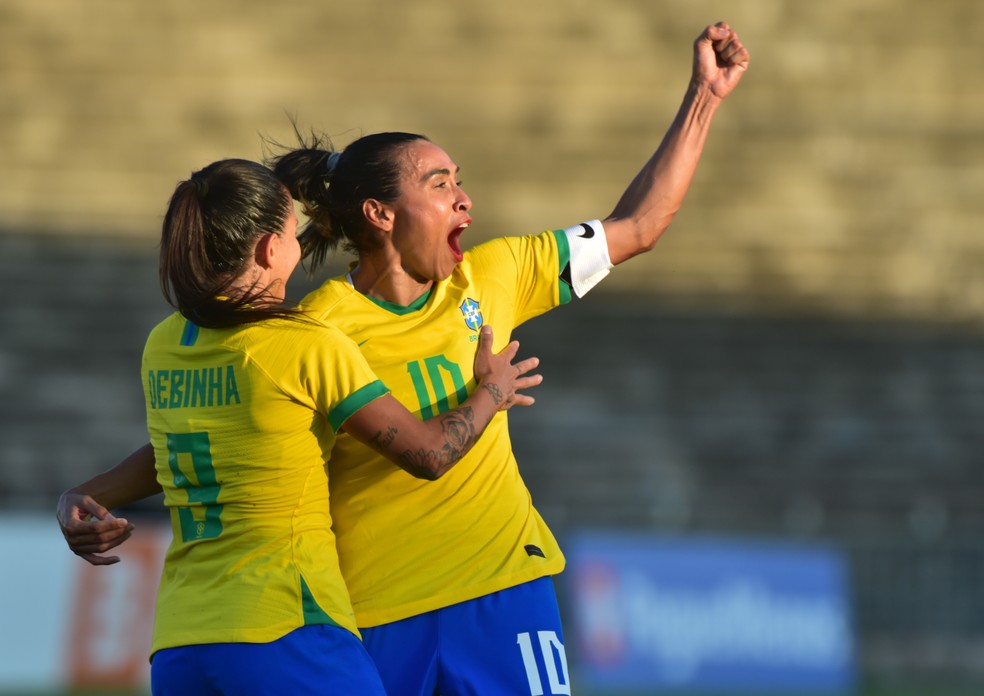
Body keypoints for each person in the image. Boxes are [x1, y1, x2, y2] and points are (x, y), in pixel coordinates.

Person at [62, 21, 749, 695]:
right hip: (377, 611)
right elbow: (231, 436)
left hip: (503, 590)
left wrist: (704, 99)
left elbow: (639, 226)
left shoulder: (499, 272)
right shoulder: (314, 328)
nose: (464, 197)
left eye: (459, 181)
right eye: (440, 182)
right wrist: (489, 393)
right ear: (382, 214)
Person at [57, 157, 541, 695]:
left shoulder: (166, 344)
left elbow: (174, 450)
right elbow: (428, 454)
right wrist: (492, 393)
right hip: (287, 629)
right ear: (269, 249)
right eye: (293, 233)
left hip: (181, 643)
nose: (305, 244)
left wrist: (82, 494)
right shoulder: (303, 344)